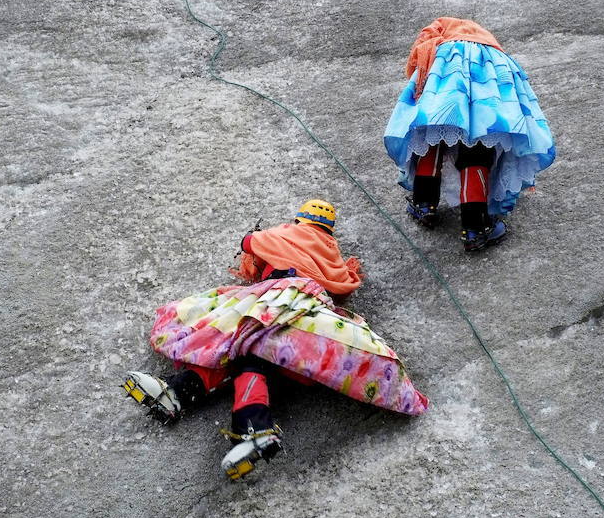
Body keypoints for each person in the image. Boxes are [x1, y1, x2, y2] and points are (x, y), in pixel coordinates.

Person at [123, 200, 428, 480]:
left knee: (234, 341)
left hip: (277, 297)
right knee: (250, 356)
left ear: (300, 220)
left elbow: (249, 243)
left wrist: (258, 240)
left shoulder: (288, 234)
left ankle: (181, 395)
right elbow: (344, 285)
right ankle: (243, 424)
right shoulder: (331, 251)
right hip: (308, 322)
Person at [383, 17, 556, 251]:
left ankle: (424, 204)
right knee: (477, 147)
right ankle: (475, 227)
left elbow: (421, 50)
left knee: (430, 136)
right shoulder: (491, 49)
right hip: (489, 81)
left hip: (446, 76)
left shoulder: (442, 34)